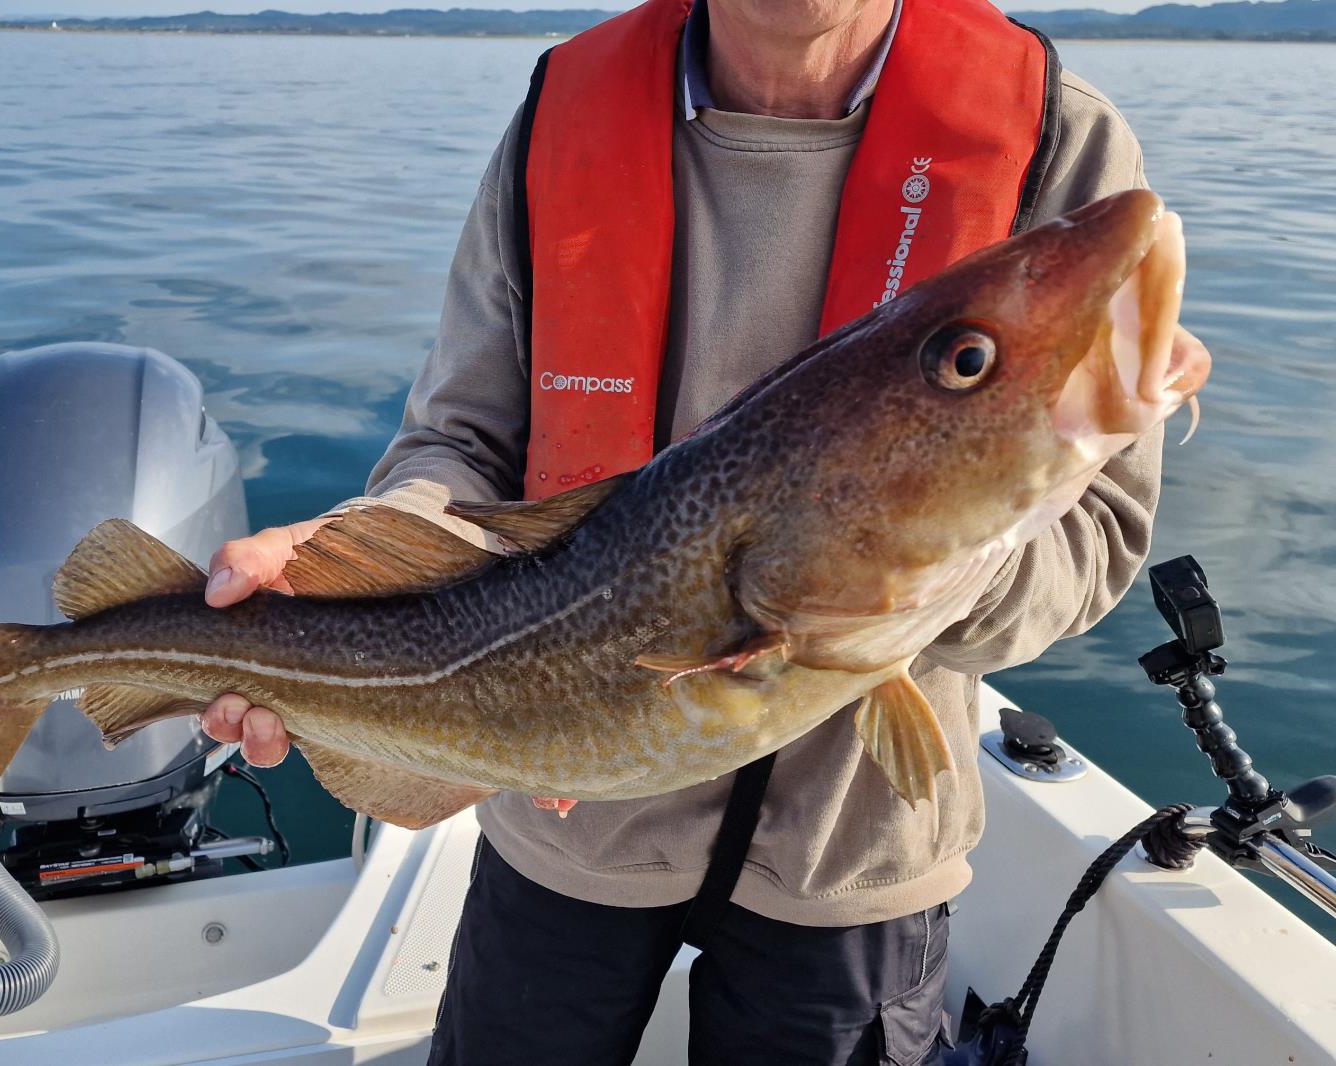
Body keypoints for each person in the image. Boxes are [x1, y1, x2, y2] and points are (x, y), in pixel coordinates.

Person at [199, 0, 1208, 1061]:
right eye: (967, 362)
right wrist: (348, 560)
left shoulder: (1057, 132)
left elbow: (1094, 535)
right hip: (561, 816)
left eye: (967, 362)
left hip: (848, 853)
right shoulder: (562, 112)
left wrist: (913, 581)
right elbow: (459, 440)